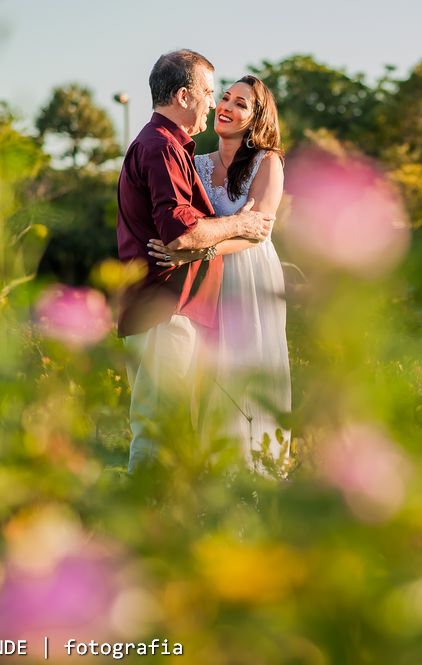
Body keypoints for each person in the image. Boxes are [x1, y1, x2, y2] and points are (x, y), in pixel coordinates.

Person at [116, 51, 274, 475]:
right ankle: (143, 512)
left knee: (170, 431)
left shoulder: (167, 146)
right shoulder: (162, 147)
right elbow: (181, 233)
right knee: (158, 430)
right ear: (184, 96)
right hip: (166, 306)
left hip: (167, 306)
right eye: (209, 92)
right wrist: (240, 222)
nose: (212, 103)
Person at [147, 75, 291, 474]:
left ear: (257, 117)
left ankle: (257, 474)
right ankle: (209, 472)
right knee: (208, 372)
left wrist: (200, 251)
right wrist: (190, 249)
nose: (225, 106)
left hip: (250, 275)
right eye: (224, 98)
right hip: (206, 278)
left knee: (246, 367)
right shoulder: (196, 163)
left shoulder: (268, 161)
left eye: (240, 103)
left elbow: (257, 231)